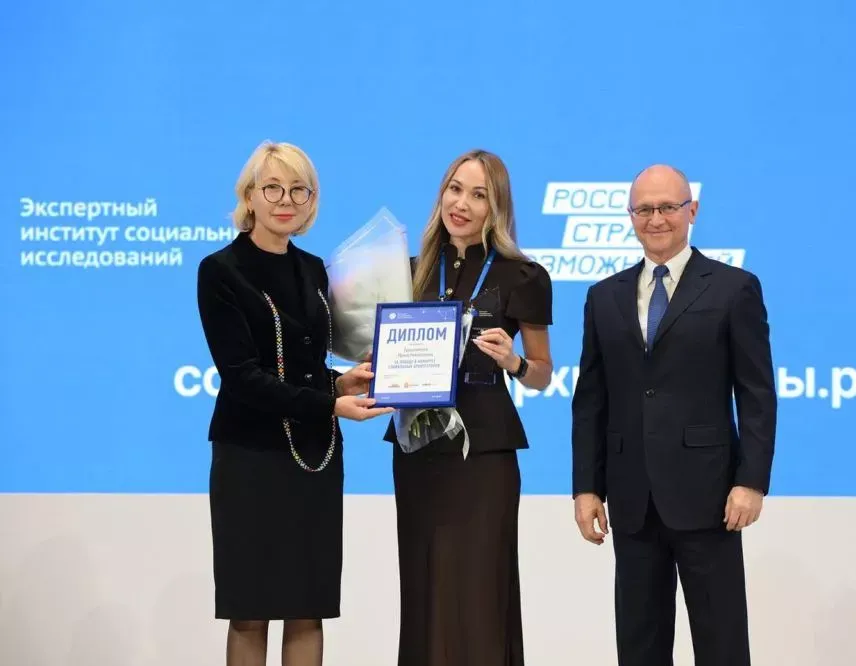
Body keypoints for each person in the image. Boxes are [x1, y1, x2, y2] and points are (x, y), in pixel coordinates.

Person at [196, 141, 394, 666]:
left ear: (311, 200)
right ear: (249, 196)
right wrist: (329, 404)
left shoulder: (313, 269)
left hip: (314, 456)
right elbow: (243, 377)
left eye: (298, 190)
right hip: (250, 457)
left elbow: (302, 366)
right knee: (250, 610)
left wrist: (341, 382)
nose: (286, 200)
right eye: (273, 188)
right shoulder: (220, 270)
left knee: (308, 609)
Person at [571, 164, 777, 666]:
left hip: (710, 497)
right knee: (639, 645)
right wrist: (586, 488)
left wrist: (751, 481)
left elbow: (756, 394)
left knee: (722, 643)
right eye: (644, 209)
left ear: (692, 210)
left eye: (667, 207)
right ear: (630, 216)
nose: (656, 219)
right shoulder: (604, 296)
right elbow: (591, 400)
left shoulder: (733, 288)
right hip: (632, 500)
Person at [382, 149, 554, 666]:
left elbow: (543, 373)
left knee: (478, 592)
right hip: (417, 451)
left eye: (479, 195)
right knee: (423, 586)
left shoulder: (523, 276)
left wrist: (514, 362)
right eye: (455, 189)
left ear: (496, 208)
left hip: (483, 455)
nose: (462, 203)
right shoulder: (409, 272)